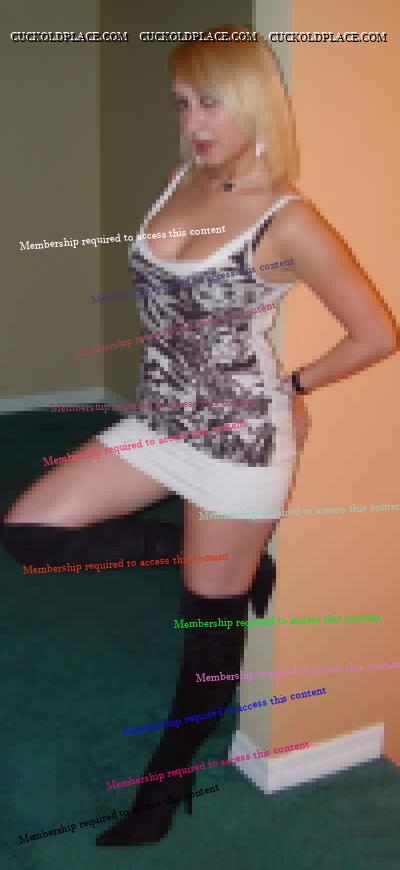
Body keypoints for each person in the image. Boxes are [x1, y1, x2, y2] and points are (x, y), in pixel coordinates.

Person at [2, 25, 396, 847]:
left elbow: (375, 333)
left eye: (210, 102)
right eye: (182, 104)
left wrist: (295, 387)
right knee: (31, 530)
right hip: (161, 421)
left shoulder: (288, 219)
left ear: (254, 102)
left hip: (239, 445)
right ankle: (233, 566)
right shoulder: (180, 181)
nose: (193, 122)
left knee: (205, 646)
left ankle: (162, 792)